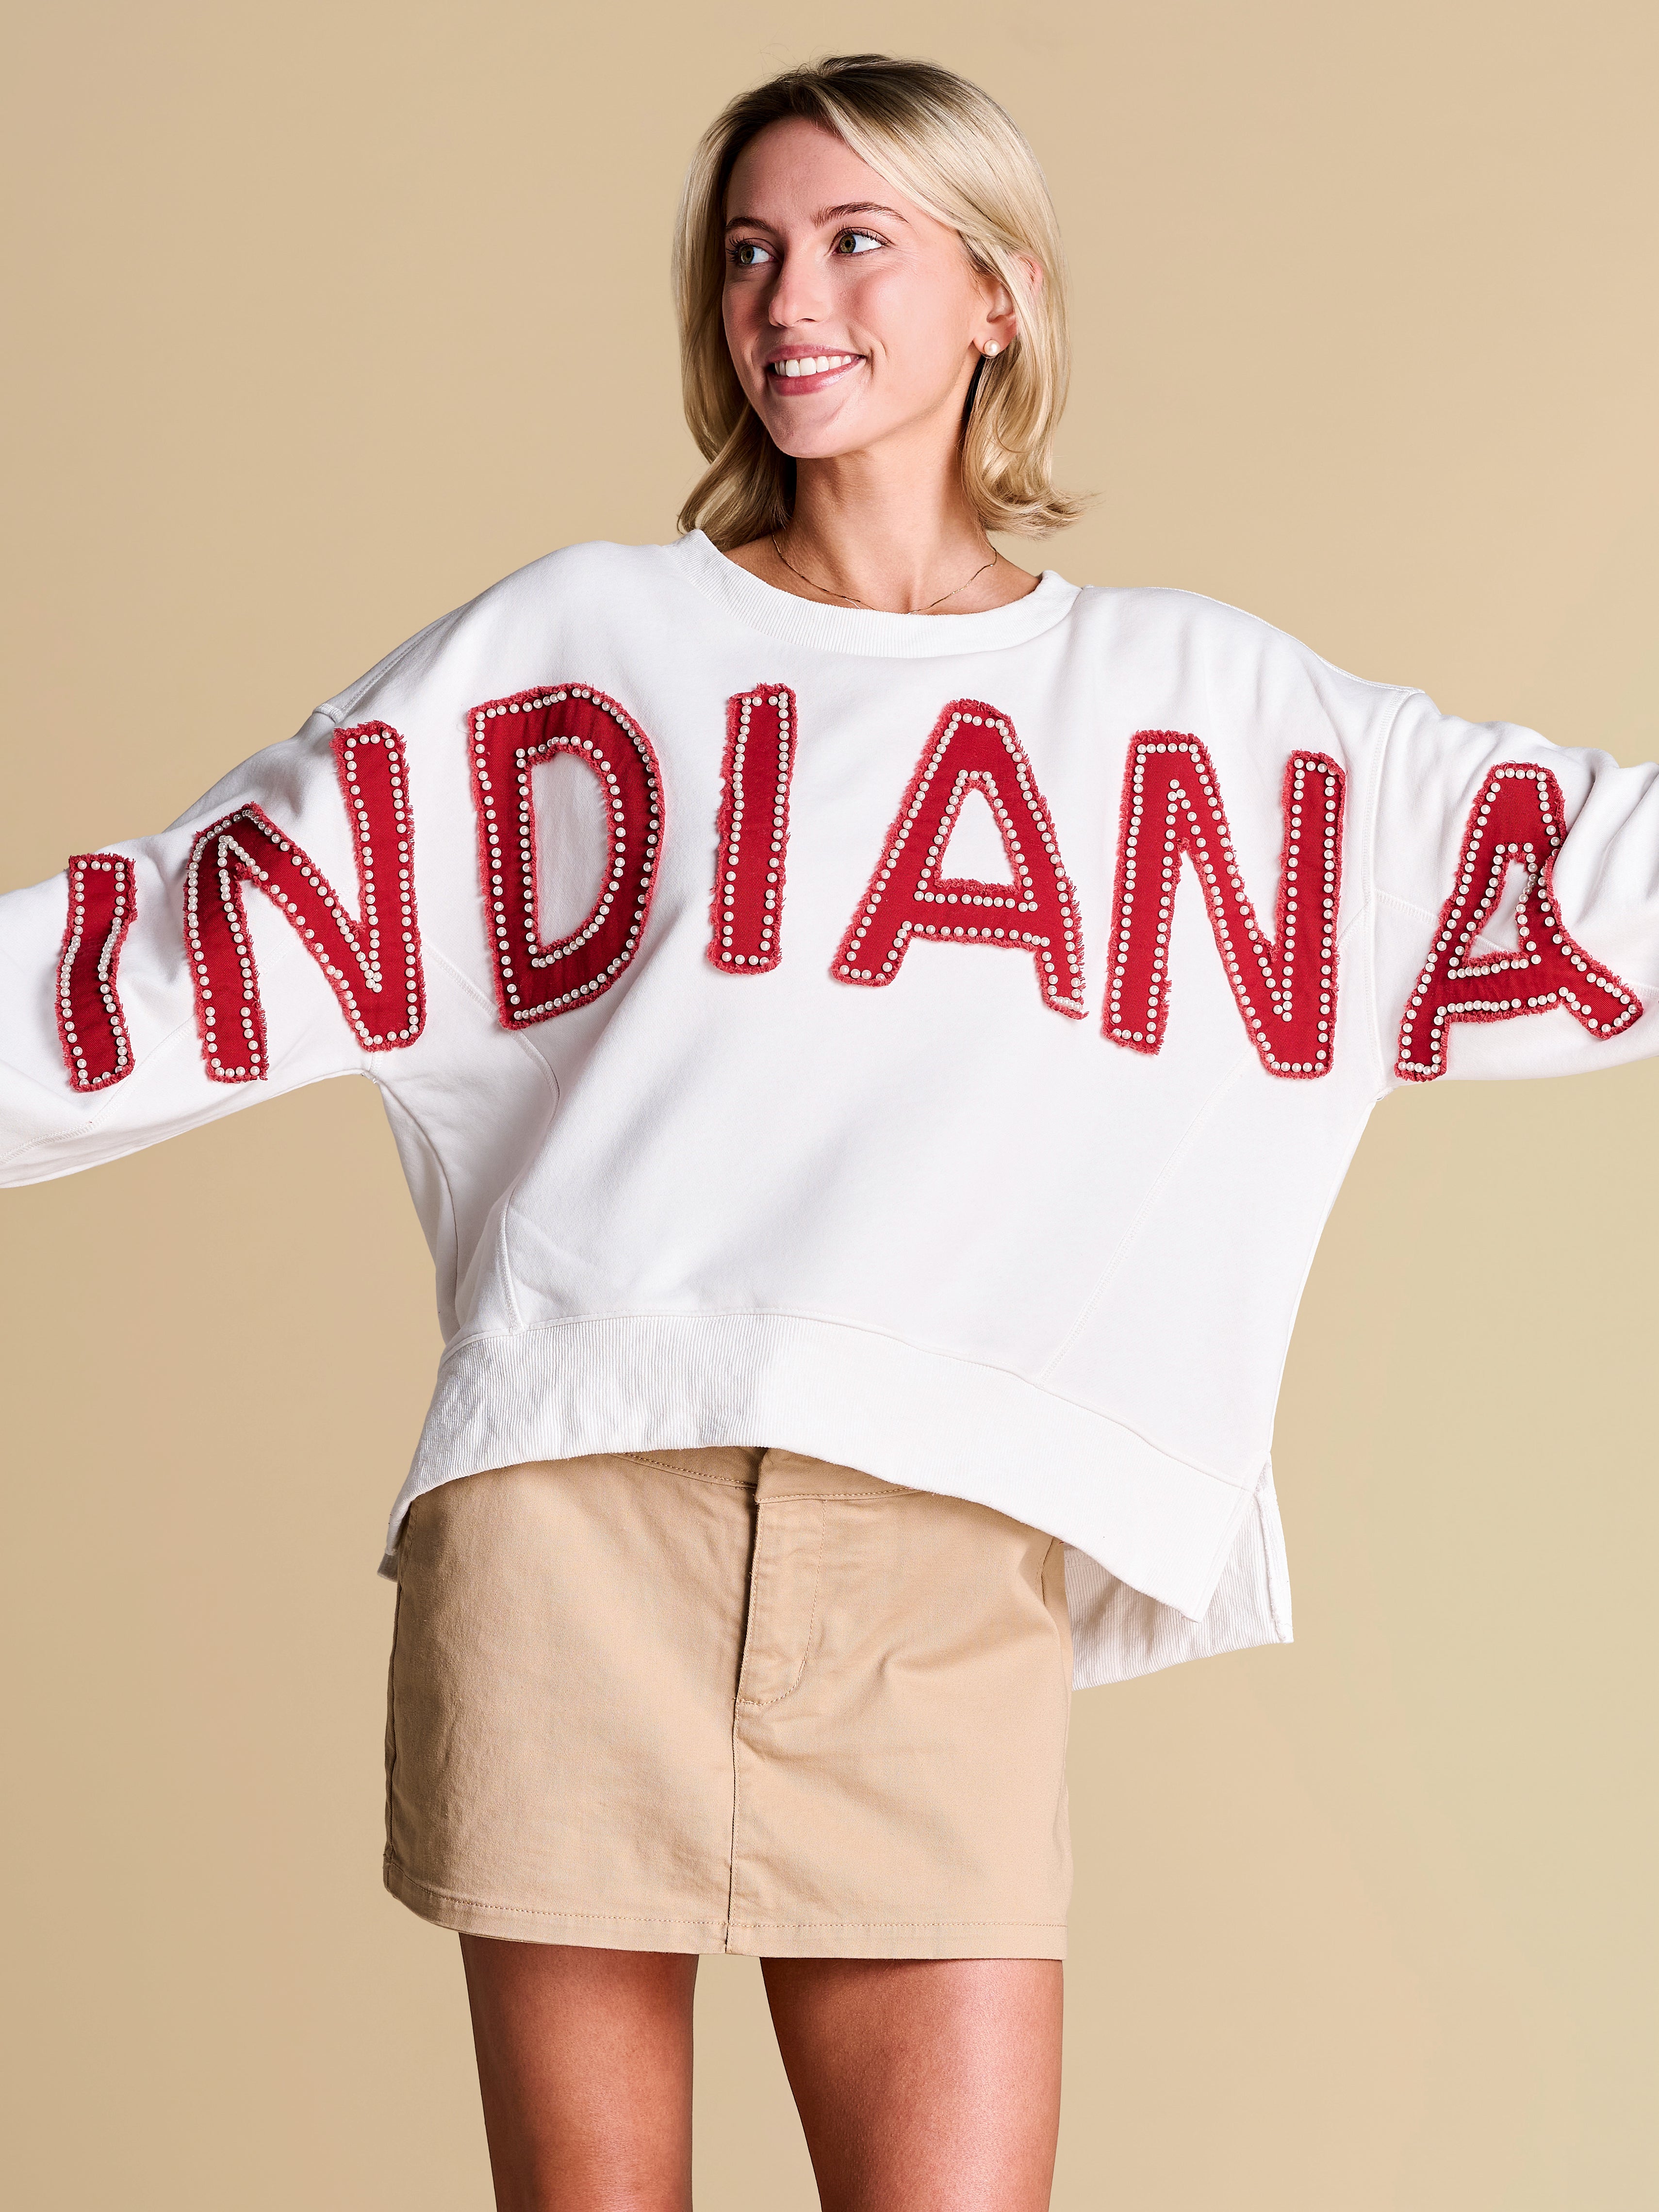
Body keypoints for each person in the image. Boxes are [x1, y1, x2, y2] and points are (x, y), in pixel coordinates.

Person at [2, 49, 1654, 2212]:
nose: (791, 300)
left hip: (941, 1552)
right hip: (575, 1518)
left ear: (1000, 296)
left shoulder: (1206, 711)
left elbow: (1597, 877)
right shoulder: (582, 649)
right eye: (750, 253)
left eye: (859, 242)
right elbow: (186, 942)